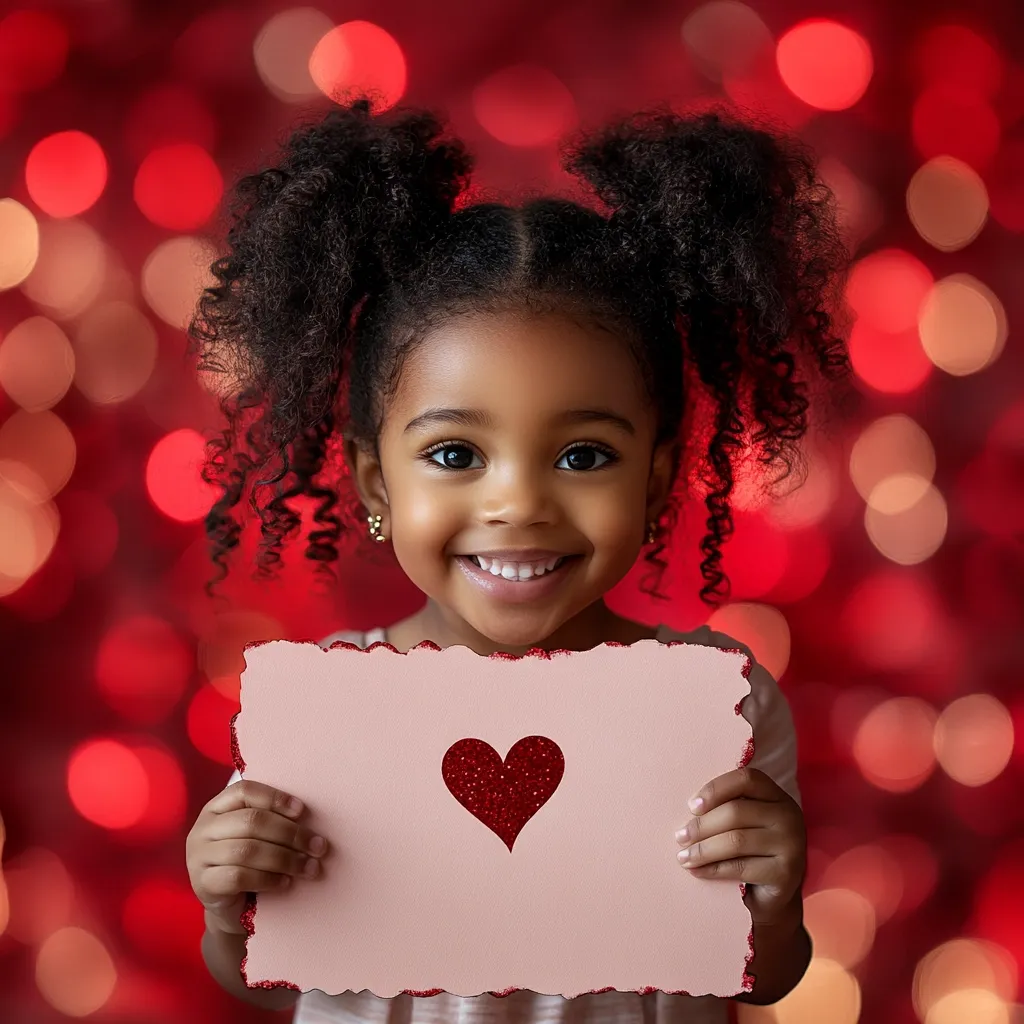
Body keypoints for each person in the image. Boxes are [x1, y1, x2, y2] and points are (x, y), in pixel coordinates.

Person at [185, 96, 851, 1023]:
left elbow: (761, 977)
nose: (518, 504)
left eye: (584, 456)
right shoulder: (325, 713)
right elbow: (272, 979)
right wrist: (228, 910)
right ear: (378, 486)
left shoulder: (720, 699)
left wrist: (775, 897)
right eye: (456, 455)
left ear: (659, 479)